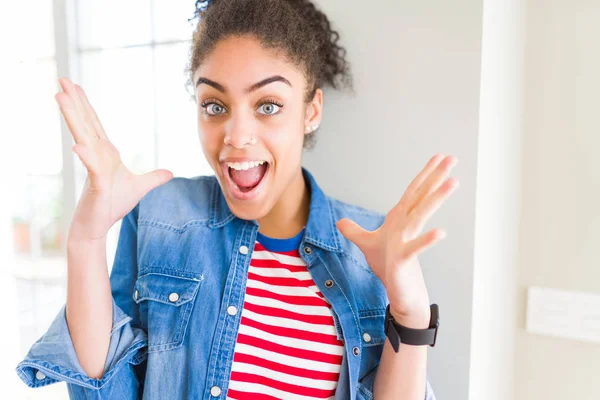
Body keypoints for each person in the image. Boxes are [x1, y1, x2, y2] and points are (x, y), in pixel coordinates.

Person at [16, 0, 458, 398]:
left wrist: (410, 311)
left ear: (311, 110)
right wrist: (86, 241)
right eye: (214, 105)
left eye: (267, 105)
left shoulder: (372, 248)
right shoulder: (161, 215)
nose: (236, 135)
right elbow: (105, 388)